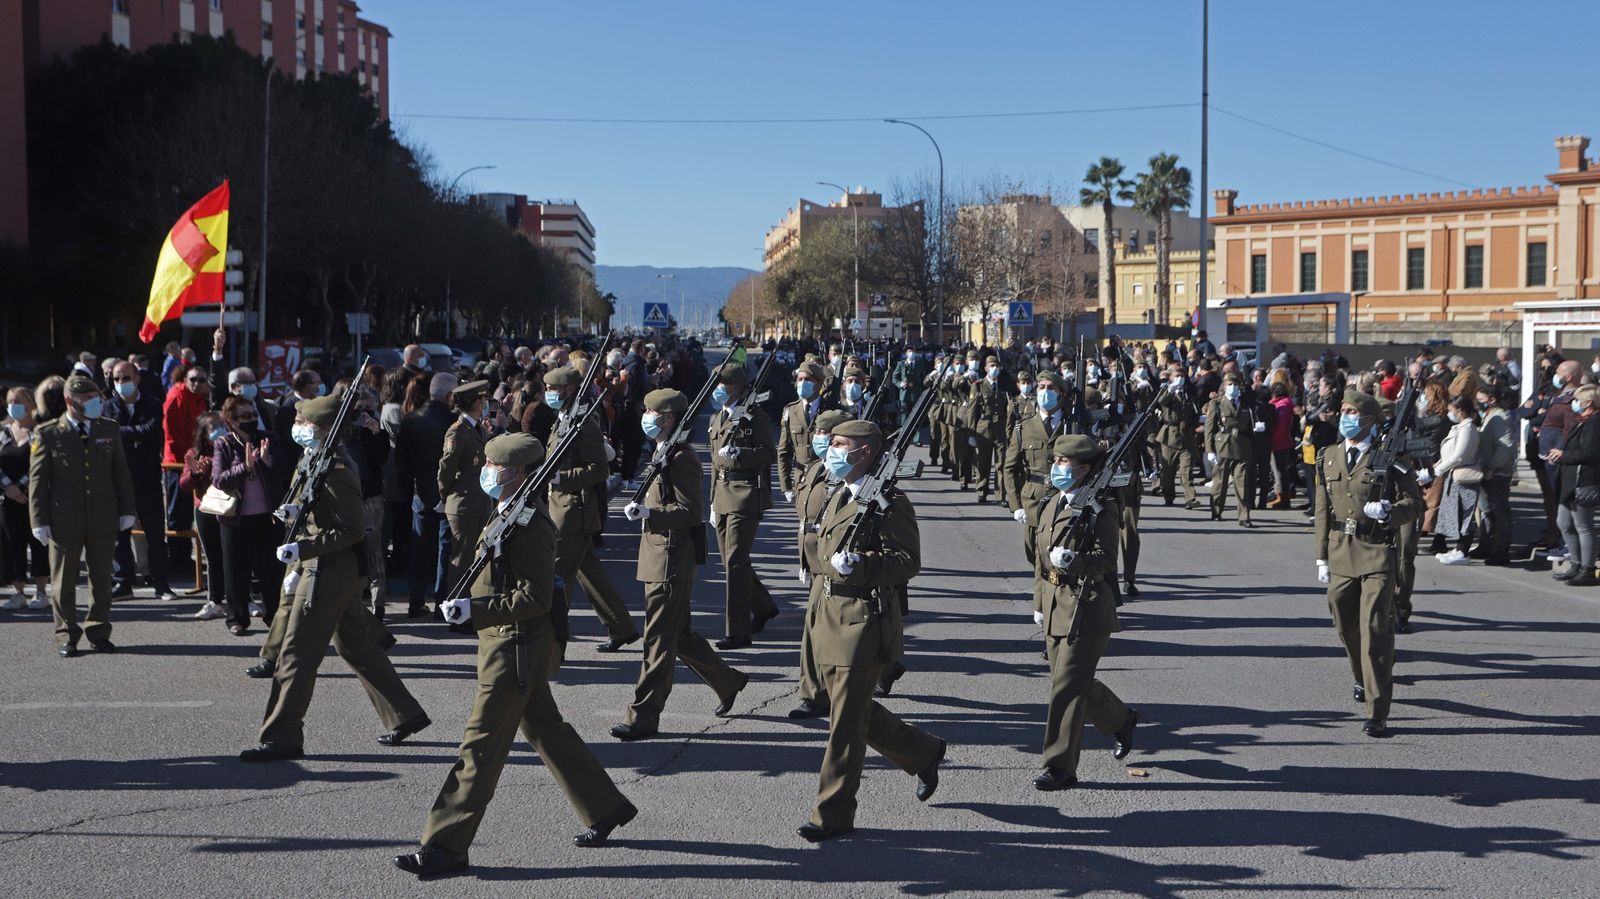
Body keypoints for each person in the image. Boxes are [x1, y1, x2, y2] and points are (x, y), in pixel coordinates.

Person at [393, 433, 637, 881]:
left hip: (515, 648)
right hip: (504, 641)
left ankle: (446, 845)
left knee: (479, 748)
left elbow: (537, 598)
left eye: (494, 464)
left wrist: (475, 610)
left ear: (518, 472)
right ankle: (605, 807)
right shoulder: (508, 512)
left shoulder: (530, 524)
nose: (487, 469)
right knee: (546, 728)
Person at [242, 394, 430, 761]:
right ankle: (405, 714)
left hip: (328, 572)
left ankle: (282, 737)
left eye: (304, 424)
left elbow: (351, 530)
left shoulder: (338, 468)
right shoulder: (313, 459)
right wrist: (293, 512)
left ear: (324, 429)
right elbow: (315, 510)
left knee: (295, 654)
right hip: (320, 569)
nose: (297, 428)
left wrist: (304, 550)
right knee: (355, 646)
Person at [798, 418, 945, 842]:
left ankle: (833, 813)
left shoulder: (889, 501)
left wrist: (861, 566)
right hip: (828, 614)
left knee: (844, 725)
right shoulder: (840, 493)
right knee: (850, 710)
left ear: (864, 452)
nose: (831, 449)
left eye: (841, 444)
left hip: (862, 621)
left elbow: (906, 561)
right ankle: (923, 750)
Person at [610, 388, 749, 742]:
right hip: (657, 555)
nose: (645, 416)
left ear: (669, 417)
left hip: (669, 559)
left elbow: (691, 512)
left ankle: (643, 716)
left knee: (657, 641)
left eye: (650, 411)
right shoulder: (663, 451)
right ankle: (727, 680)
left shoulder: (681, 457)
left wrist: (650, 514)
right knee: (678, 635)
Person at [1032, 432, 1137, 791]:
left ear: (1085, 470)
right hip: (1054, 604)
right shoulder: (1052, 503)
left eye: (1065, 463)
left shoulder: (1101, 508)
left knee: (1066, 688)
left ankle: (1059, 766)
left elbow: (1107, 560)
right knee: (1074, 682)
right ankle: (1121, 719)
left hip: (1086, 608)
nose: (1057, 468)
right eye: (1056, 461)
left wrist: (1074, 560)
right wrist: (1038, 604)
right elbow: (1039, 560)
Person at [1314, 389, 1420, 738]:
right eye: (1343, 411)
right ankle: (1362, 677)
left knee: (1374, 631)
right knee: (1345, 627)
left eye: (1352, 412)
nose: (1345, 417)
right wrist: (1320, 555)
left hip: (1376, 551)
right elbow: (1322, 512)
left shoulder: (1391, 458)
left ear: (1371, 420)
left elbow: (1413, 502)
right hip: (1340, 552)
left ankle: (1378, 712)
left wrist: (1391, 512)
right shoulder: (1328, 456)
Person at [28, 374, 137, 656]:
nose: (94, 404)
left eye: (95, 399)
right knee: (63, 580)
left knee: (101, 577)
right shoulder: (48, 433)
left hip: (102, 514)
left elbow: (120, 472)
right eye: (87, 400)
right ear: (69, 401)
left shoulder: (108, 428)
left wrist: (127, 510)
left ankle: (99, 630)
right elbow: (38, 481)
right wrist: (38, 520)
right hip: (64, 518)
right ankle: (66, 634)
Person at [541, 365, 639, 650]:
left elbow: (599, 470)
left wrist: (561, 478)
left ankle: (551, 643)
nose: (549, 394)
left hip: (573, 512)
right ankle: (621, 628)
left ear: (569, 390)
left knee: (557, 580)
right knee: (591, 576)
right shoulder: (562, 419)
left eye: (554, 390)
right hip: (561, 507)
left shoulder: (584, 424)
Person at [706, 361, 780, 648]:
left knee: (735, 561)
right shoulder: (716, 418)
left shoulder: (754, 417)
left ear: (738, 387)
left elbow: (767, 453)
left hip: (746, 492)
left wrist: (740, 453)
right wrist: (712, 499)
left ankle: (737, 632)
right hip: (723, 492)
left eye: (724, 385)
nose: (719, 390)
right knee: (729, 561)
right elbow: (713, 463)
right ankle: (763, 606)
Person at [789, 409, 853, 719]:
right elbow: (807, 520)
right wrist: (805, 558)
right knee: (816, 628)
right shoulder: (815, 469)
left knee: (819, 629)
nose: (818, 439)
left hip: (836, 566)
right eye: (817, 433)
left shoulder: (847, 477)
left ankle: (815, 695)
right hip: (816, 563)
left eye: (826, 435)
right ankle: (815, 693)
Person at [212, 397, 286, 636]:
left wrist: (266, 461)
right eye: (245, 417)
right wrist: (245, 466)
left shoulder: (268, 438)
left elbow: (285, 472)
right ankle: (237, 618)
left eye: (253, 415)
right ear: (232, 421)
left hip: (268, 516)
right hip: (236, 519)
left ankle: (274, 615)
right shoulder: (223, 444)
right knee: (235, 570)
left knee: (271, 570)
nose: (252, 420)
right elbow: (219, 480)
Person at [105, 360, 174, 602]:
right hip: (118, 478)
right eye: (116, 379)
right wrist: (134, 434)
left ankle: (162, 584)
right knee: (119, 534)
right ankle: (123, 582)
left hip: (148, 478)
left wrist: (124, 433)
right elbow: (108, 435)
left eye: (125, 378)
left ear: (137, 378)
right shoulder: (108, 406)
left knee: (155, 534)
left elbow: (153, 432)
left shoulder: (153, 403)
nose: (121, 383)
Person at [396, 373, 456, 617]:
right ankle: (442, 603)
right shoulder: (453, 421)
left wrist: (415, 480)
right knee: (445, 548)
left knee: (420, 547)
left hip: (420, 490)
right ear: (449, 395)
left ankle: (415, 600)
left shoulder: (411, 419)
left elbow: (400, 459)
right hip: (447, 491)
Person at [439, 380, 494, 606]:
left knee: (475, 559)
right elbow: (446, 468)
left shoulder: (477, 427)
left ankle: (469, 607)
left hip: (479, 502)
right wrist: (446, 496)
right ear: (477, 402)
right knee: (461, 561)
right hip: (463, 504)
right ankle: (456, 610)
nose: (485, 404)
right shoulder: (457, 430)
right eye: (483, 400)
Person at [1, 389, 50, 609]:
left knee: (37, 543)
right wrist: (8, 487)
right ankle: (18, 592)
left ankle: (41, 592)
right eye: (11, 402)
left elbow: (41, 463)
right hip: (8, 498)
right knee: (13, 544)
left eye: (18, 401)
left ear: (30, 403)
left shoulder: (40, 431)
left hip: (34, 497)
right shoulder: (3, 432)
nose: (13, 406)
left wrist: (22, 486)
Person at [179, 412, 229, 624]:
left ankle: (242, 599)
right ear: (203, 433)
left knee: (235, 555)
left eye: (221, 425)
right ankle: (215, 600)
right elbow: (184, 484)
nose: (219, 430)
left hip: (230, 507)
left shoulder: (231, 447)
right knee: (214, 557)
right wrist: (197, 473)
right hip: (206, 508)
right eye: (212, 427)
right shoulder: (195, 453)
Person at [1548, 384, 1599, 586]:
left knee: (1584, 526)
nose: (1574, 404)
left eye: (1578, 400)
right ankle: (1576, 564)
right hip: (1569, 481)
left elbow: (1589, 453)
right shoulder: (1583, 420)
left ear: (1589, 402)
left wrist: (1564, 455)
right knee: (1564, 523)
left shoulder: (1595, 422)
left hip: (1583, 481)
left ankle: (1587, 568)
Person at [162, 364, 211, 556]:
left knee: (189, 512)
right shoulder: (177, 396)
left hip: (193, 460)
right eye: (193, 379)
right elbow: (172, 434)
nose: (197, 383)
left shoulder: (199, 397)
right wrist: (188, 459)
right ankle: (177, 558)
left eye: (202, 380)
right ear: (185, 380)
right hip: (178, 463)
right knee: (178, 513)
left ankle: (184, 557)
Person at [1204, 373, 1262, 527]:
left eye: (1236, 385)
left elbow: (1250, 425)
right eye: (1230, 385)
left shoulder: (1246, 404)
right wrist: (1209, 450)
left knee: (1242, 483)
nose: (1233, 388)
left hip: (1242, 446)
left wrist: (1257, 428)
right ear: (1224, 387)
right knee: (1220, 482)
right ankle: (1216, 510)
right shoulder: (1216, 404)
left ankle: (1244, 516)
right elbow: (1209, 429)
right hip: (1223, 445)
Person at [777, 361, 834, 506]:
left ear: (819, 383)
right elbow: (784, 451)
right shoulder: (790, 411)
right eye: (800, 379)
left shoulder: (831, 410)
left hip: (826, 477)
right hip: (801, 479)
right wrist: (786, 486)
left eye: (808, 379)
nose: (803, 383)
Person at [1475, 387, 1516, 565]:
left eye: (1480, 399)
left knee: (1500, 513)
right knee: (1487, 512)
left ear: (1492, 399)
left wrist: (1492, 466)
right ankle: (1486, 546)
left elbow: (1505, 447)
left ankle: (1501, 551)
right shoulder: (1490, 416)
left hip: (1497, 473)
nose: (1478, 402)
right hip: (1488, 472)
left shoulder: (1500, 419)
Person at [1153, 365, 1200, 509]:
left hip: (1186, 435)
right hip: (1170, 435)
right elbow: (1160, 402)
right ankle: (1168, 495)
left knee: (1187, 469)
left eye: (1182, 376)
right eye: (1177, 376)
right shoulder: (1167, 391)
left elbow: (1195, 408)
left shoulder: (1189, 393)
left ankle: (1190, 498)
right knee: (1169, 470)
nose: (1180, 379)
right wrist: (1170, 390)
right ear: (1171, 378)